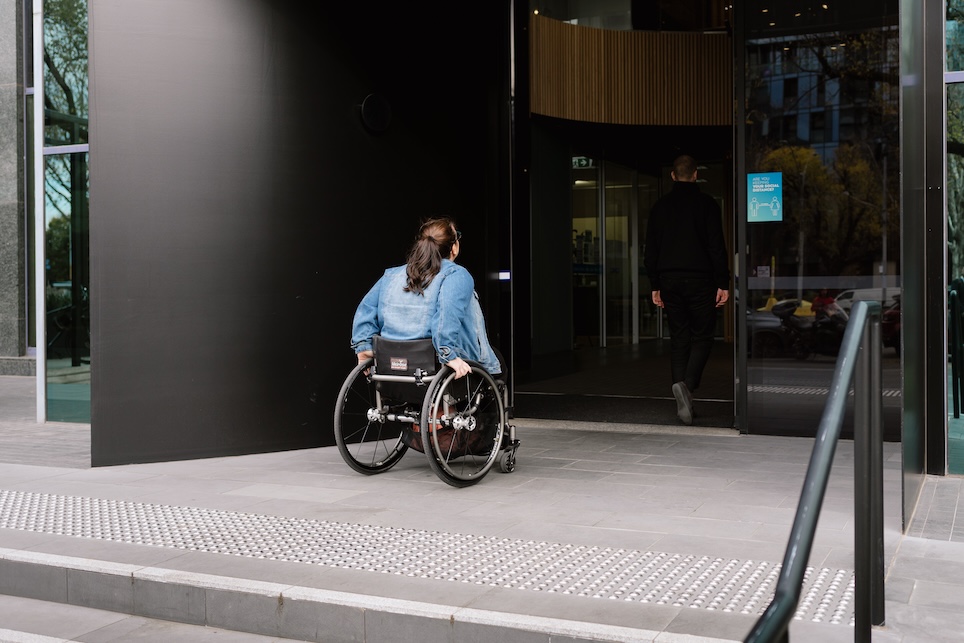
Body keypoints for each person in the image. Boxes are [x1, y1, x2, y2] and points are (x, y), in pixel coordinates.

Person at [350, 216, 501, 379]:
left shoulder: (392, 275)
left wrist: (364, 346)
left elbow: (365, 309)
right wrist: (447, 353)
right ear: (454, 247)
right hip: (432, 362)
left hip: (392, 361)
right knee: (499, 370)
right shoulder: (455, 275)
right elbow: (447, 314)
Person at [644, 155, 730, 425]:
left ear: (673, 176)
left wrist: (655, 284)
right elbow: (716, 246)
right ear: (695, 175)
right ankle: (688, 384)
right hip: (700, 280)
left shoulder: (660, 207)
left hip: (669, 280)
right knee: (703, 336)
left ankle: (682, 395)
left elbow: (651, 251)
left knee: (679, 338)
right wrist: (723, 282)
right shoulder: (707, 205)